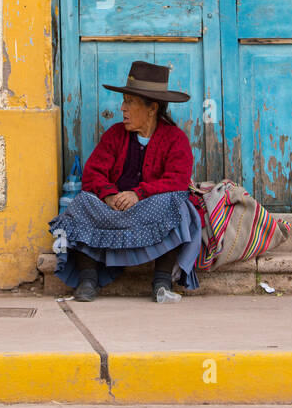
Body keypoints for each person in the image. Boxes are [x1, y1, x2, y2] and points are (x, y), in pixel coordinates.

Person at [49, 60, 202, 302]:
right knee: (80, 204)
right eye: (124, 102)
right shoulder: (115, 135)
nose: (123, 109)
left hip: (147, 207)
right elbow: (93, 173)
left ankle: (161, 280)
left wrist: (139, 194)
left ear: (152, 108)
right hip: (113, 208)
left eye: (129, 103)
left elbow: (178, 180)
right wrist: (109, 195)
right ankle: (88, 279)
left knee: (178, 205)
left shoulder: (175, 139)